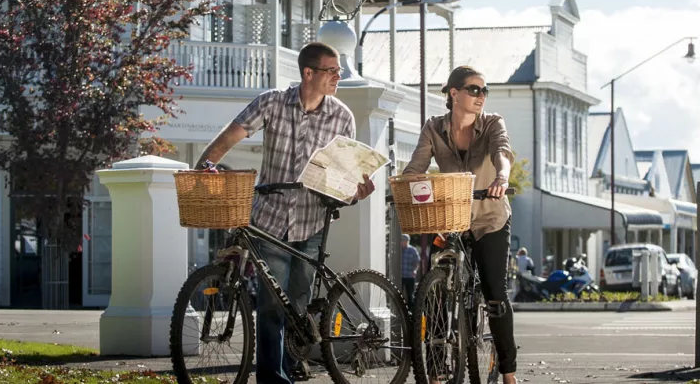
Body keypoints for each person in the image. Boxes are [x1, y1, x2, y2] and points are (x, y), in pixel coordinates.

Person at [194, 42, 375, 384]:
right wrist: (204, 165)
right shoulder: (272, 101)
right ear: (309, 73)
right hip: (271, 217)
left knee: (297, 305)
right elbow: (233, 134)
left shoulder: (342, 117)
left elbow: (346, 174)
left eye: (338, 71)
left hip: (312, 220)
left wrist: (356, 191)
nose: (338, 76)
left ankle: (292, 365)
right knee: (270, 308)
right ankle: (272, 380)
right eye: (332, 70)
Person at [403, 65, 518, 384]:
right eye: (474, 89)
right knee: (437, 289)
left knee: (495, 293)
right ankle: (437, 368)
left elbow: (502, 152)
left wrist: (501, 178)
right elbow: (417, 166)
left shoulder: (492, 123)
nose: (481, 96)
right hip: (452, 219)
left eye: (484, 90)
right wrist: (406, 186)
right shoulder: (434, 128)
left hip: (490, 216)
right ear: (454, 93)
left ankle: (508, 371)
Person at [400, 233, 421, 306]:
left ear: (407, 241)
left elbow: (417, 261)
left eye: (404, 241)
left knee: (410, 295)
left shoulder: (413, 250)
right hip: (401, 276)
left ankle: (410, 312)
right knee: (399, 295)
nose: (403, 242)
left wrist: (415, 270)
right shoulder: (398, 250)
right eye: (402, 240)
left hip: (410, 276)